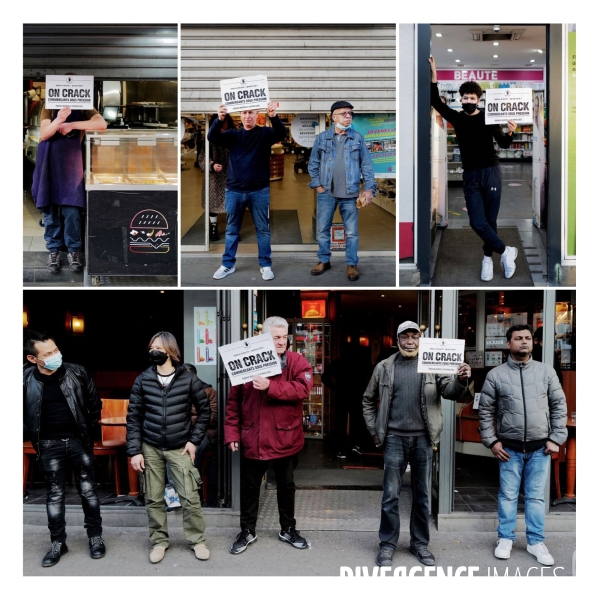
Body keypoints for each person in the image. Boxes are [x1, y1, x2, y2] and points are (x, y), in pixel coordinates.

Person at [362, 321, 472, 567]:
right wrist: (375, 431)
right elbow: (367, 401)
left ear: (421, 340)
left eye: (415, 336)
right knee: (390, 496)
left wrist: (462, 379)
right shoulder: (384, 367)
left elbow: (450, 391)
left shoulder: (433, 364)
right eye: (405, 337)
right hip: (394, 440)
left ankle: (420, 544)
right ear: (397, 339)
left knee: (422, 496)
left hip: (424, 440)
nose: (410, 341)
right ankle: (387, 545)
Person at [478, 324, 567, 566]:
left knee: (536, 497)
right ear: (509, 344)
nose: (524, 342)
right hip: (509, 448)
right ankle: (505, 538)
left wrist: (556, 438)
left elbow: (559, 406)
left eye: (528, 338)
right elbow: (486, 412)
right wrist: (492, 441)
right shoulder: (495, 375)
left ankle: (535, 541)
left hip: (541, 448)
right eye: (518, 338)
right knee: (507, 495)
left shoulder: (546, 372)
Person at [224, 316, 313, 554]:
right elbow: (233, 402)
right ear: (264, 338)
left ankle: (288, 529)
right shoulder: (245, 361)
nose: (282, 342)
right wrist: (232, 433)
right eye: (276, 337)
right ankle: (247, 531)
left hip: (286, 439)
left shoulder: (297, 361)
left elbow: (303, 388)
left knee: (286, 486)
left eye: (285, 337)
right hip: (253, 437)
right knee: (250, 488)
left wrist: (271, 387)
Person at [429, 57, 518, 282]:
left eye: (472, 98)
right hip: (470, 174)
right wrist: (434, 76)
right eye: (465, 98)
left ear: (479, 100)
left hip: (491, 172)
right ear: (461, 100)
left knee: (490, 219)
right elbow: (435, 102)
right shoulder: (457, 118)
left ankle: (487, 260)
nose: (469, 101)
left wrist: (511, 131)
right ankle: (507, 251)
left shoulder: (490, 117)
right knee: (477, 222)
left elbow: (505, 145)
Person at [23, 330, 106, 567]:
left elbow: (94, 405)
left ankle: (95, 537)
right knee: (55, 495)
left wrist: (85, 434)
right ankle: (58, 542)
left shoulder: (77, 372)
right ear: (33, 359)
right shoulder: (23, 379)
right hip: (48, 444)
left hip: (78, 440)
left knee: (89, 491)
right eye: (48, 353)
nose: (55, 356)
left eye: (56, 350)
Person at [126, 332, 211, 564]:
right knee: (153, 498)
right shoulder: (143, 379)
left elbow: (205, 412)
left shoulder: (188, 379)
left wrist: (194, 441)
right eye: (151, 347)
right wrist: (135, 451)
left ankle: (197, 541)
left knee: (189, 496)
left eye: (158, 348)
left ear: (171, 351)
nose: (153, 351)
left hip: (179, 447)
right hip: (150, 446)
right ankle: (159, 542)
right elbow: (133, 416)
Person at [208, 102, 286, 281]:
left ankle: (265, 265)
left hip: (259, 191)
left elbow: (282, 133)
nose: (247, 116)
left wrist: (273, 116)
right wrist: (219, 119)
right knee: (231, 229)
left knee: (263, 230)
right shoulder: (233, 135)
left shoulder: (265, 134)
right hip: (234, 191)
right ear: (240, 115)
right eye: (244, 113)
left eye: (251, 112)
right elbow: (212, 137)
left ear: (257, 114)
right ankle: (227, 265)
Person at [32, 102, 107, 274]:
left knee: (72, 211)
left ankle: (74, 251)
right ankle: (53, 251)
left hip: (71, 161)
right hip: (48, 161)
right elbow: (45, 134)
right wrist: (58, 120)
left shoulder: (84, 104)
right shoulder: (49, 104)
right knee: (50, 211)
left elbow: (101, 124)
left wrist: (72, 124)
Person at [307, 101, 377, 281]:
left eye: (350, 114)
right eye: (344, 113)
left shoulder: (357, 138)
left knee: (352, 232)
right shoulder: (322, 138)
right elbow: (313, 164)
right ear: (333, 117)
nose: (348, 116)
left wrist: (369, 189)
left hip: (351, 194)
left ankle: (352, 264)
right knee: (322, 230)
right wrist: (318, 186)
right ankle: (323, 260)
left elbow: (367, 165)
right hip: (327, 194)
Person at [198, 114, 236, 241]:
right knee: (212, 203)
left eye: (225, 122)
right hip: (214, 177)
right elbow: (201, 158)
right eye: (221, 122)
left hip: (231, 175)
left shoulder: (233, 135)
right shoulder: (209, 138)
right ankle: (213, 228)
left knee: (232, 203)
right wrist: (212, 164)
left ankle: (232, 228)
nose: (223, 125)